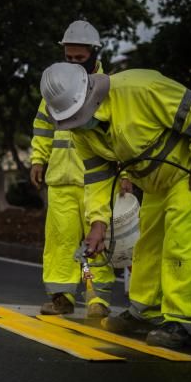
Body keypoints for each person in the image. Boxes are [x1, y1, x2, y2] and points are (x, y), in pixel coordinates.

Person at [39, 63, 191, 348]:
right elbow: (99, 176)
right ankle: (145, 311)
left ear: (90, 96)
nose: (77, 123)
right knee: (147, 246)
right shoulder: (82, 130)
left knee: (182, 242)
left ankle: (181, 320)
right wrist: (98, 223)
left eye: (78, 115)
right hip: (154, 181)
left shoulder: (141, 88)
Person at [30, 21, 127, 318]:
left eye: (79, 59)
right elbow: (43, 127)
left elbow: (124, 138)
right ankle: (63, 297)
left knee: (96, 243)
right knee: (60, 244)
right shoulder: (56, 87)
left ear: (94, 54)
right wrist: (37, 159)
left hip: (95, 183)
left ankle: (97, 298)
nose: (73, 64)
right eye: (69, 58)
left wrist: (126, 175)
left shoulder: (108, 89)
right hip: (60, 180)